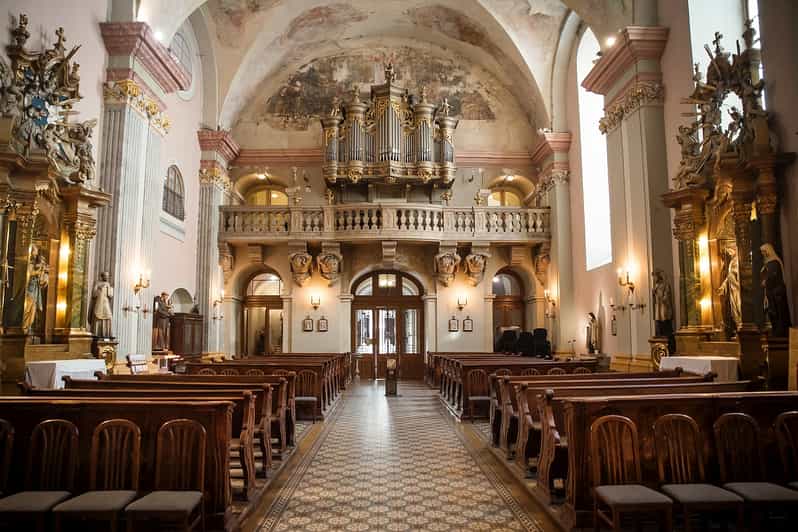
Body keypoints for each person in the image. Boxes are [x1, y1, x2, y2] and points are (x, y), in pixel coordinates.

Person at [760, 244, 792, 337]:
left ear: (768, 251)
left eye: (763, 251)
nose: (762, 254)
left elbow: (773, 277)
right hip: (772, 293)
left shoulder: (774, 262)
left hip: (776, 294)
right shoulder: (769, 263)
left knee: (778, 313)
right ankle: (776, 330)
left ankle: (780, 332)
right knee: (773, 313)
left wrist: (766, 281)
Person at [22, 244, 48, 333]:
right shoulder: (29, 263)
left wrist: (42, 272)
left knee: (33, 310)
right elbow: (29, 273)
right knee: (27, 309)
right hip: (30, 290)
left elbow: (41, 281)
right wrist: (39, 270)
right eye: (35, 251)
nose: (36, 253)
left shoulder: (36, 264)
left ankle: (29, 327)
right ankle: (24, 328)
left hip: (35, 290)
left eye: (36, 252)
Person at [89, 271, 113, 338]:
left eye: (107, 276)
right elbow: (94, 294)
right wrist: (100, 289)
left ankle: (106, 334)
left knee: (109, 316)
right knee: (97, 316)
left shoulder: (108, 284)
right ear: (102, 276)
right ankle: (96, 333)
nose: (107, 277)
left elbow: (110, 295)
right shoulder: (97, 283)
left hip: (105, 302)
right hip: (99, 302)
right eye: (105, 276)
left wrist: (110, 289)